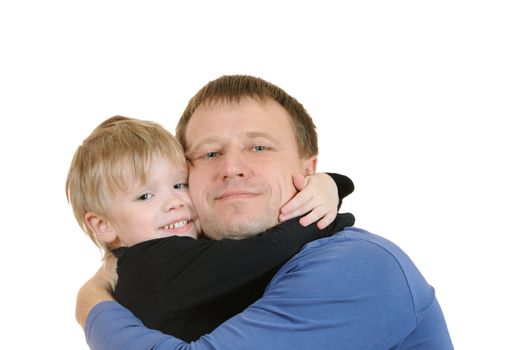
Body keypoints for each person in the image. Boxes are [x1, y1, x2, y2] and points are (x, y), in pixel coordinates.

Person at [76, 75, 453, 349]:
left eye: (259, 148)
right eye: (210, 153)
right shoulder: (181, 262)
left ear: (308, 171)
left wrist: (94, 305)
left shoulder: (361, 266)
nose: (232, 168)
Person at [66, 115, 355, 342]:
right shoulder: (155, 264)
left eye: (179, 184)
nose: (174, 202)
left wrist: (322, 185)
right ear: (102, 225)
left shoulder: (154, 260)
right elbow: (265, 252)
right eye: (145, 196)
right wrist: (326, 206)